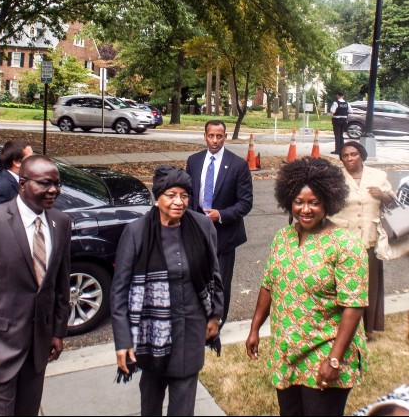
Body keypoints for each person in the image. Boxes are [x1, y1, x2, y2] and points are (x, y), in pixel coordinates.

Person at [246, 157, 369, 417]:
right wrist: (255, 328)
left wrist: (334, 358)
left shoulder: (346, 244)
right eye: (299, 202)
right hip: (287, 349)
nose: (306, 209)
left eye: (314, 202)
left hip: (325, 349)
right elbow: (269, 284)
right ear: (288, 201)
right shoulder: (283, 238)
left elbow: (354, 305)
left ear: (328, 201)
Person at [0, 156, 71, 416]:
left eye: (56, 183)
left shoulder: (61, 222)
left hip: (38, 350)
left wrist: (57, 331)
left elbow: (60, 284)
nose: (53, 190)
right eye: (45, 183)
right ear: (22, 184)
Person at [111, 165, 224, 416]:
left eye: (184, 196)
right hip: (152, 333)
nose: (178, 202)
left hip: (191, 330)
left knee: (183, 405)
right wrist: (123, 340)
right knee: (150, 401)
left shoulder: (202, 226)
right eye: (171, 195)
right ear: (158, 196)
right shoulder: (136, 232)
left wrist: (215, 316)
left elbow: (214, 275)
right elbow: (119, 291)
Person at [186, 120, 253, 325]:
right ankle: (199, 321)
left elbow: (245, 203)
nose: (215, 140)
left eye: (219, 136)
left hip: (224, 236)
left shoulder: (238, 165)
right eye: (211, 136)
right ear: (204, 136)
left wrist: (221, 215)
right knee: (197, 279)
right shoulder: (194, 161)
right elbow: (188, 194)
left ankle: (217, 325)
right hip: (197, 233)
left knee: (221, 282)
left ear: (225, 137)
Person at [332, 141, 394, 337]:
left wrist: (382, 195)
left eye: (353, 154)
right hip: (343, 240)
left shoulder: (378, 176)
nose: (349, 159)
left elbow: (393, 204)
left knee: (369, 286)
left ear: (362, 155)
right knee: (344, 284)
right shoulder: (335, 178)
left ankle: (367, 329)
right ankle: (342, 328)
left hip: (369, 239)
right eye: (345, 156)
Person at [0, 139, 33, 211]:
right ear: (17, 162)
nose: (34, 160)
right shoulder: (0, 188)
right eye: (30, 158)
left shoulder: (23, 180)